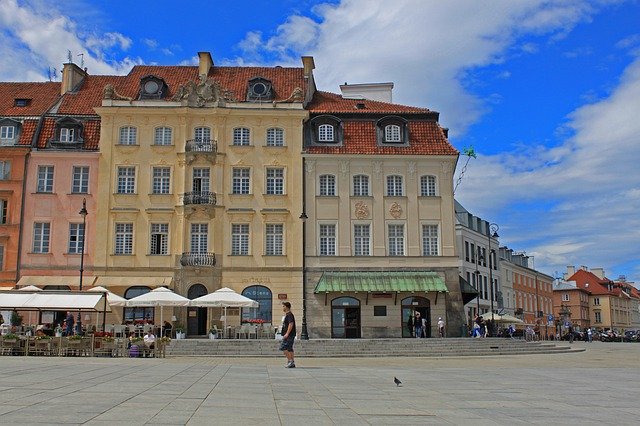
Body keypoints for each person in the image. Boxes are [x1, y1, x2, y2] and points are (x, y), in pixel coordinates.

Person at [280, 302, 296, 368]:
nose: (282, 308)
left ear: (286, 307)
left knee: (283, 347)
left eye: (283, 306)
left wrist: (287, 333)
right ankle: (292, 362)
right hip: (290, 334)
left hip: (289, 335)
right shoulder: (288, 314)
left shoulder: (289, 315)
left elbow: (291, 324)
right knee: (289, 348)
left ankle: (290, 361)